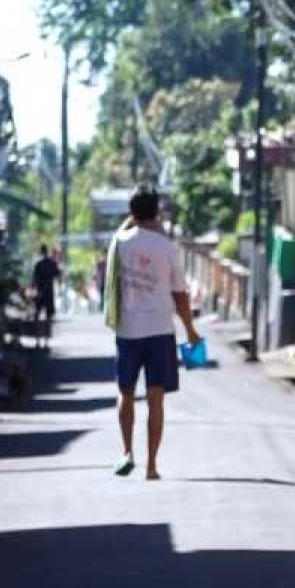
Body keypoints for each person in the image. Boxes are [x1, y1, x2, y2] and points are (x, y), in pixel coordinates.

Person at [107, 184, 200, 481]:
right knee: (156, 399)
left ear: (132, 212)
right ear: (157, 211)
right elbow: (180, 294)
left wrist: (130, 222)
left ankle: (127, 452)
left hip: (127, 330)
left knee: (126, 393)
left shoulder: (119, 244)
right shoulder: (168, 247)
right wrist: (190, 330)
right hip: (160, 330)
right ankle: (151, 466)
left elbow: (111, 284)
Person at [31, 245, 61, 348]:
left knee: (37, 317)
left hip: (40, 293)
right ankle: (46, 342)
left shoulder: (38, 264)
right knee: (48, 318)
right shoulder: (52, 263)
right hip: (49, 293)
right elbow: (58, 275)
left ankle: (38, 341)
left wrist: (32, 289)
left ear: (40, 251)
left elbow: (34, 279)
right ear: (47, 251)